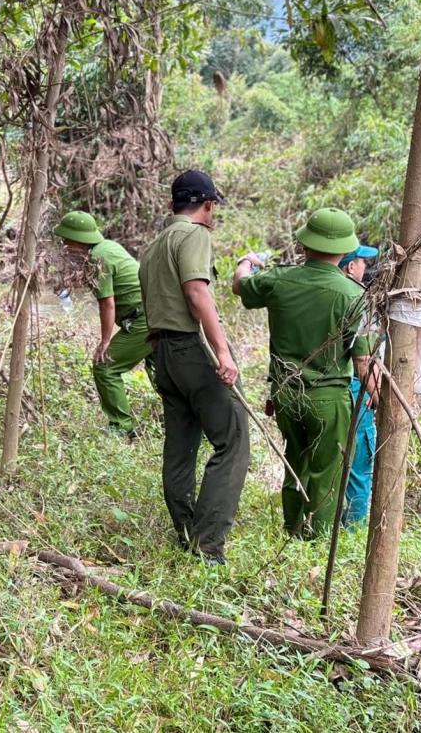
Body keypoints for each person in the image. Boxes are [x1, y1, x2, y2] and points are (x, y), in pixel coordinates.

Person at [233, 208, 375, 539]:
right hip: (328, 399)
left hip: (285, 394)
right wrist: (382, 401)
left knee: (295, 462)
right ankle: (316, 540)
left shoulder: (278, 280)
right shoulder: (354, 295)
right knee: (327, 472)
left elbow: (240, 286)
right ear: (344, 251)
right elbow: (363, 362)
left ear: (304, 245)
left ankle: (291, 528)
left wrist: (245, 261)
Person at [138, 170, 249, 565]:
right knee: (233, 439)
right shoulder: (194, 235)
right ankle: (208, 546)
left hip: (163, 355)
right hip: (191, 349)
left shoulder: (152, 248)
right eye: (213, 205)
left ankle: (185, 530)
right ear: (207, 205)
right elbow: (196, 291)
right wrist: (223, 351)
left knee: (180, 446)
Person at [52, 210, 154, 438]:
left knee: (105, 365)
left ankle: (121, 427)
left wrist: (105, 341)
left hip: (143, 320)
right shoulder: (107, 247)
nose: (64, 247)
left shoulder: (98, 258)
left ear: (78, 241)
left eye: (66, 241)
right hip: (154, 315)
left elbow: (107, 303)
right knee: (162, 371)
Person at [340, 243, 380, 525]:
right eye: (363, 263)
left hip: (325, 389)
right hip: (356, 390)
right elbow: (363, 359)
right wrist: (377, 395)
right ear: (351, 266)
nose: (366, 268)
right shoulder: (357, 299)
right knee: (359, 465)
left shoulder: (324, 294)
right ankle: (354, 526)